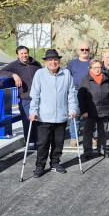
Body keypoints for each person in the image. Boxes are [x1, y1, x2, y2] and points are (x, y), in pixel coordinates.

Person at [29, 49, 78, 177]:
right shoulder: (40, 74)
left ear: (59, 61)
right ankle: (40, 166)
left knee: (58, 143)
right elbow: (34, 95)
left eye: (55, 60)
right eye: (50, 60)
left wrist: (73, 109)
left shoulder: (66, 73)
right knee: (43, 143)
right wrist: (33, 111)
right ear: (46, 62)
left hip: (61, 116)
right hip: (44, 116)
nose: (53, 62)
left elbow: (71, 94)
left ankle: (55, 163)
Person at [0, 45, 42, 149]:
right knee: (28, 120)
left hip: (39, 97)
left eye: (25, 53)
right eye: (21, 54)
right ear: (18, 55)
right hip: (25, 98)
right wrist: (14, 75)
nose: (24, 55)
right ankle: (30, 141)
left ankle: (39, 141)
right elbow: (1, 73)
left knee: (40, 120)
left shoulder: (36, 64)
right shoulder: (14, 66)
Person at [78, 59, 109, 159]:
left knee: (103, 132)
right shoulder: (85, 80)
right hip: (89, 112)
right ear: (90, 68)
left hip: (104, 110)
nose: (97, 70)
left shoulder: (106, 79)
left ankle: (101, 149)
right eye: (95, 68)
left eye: (99, 67)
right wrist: (83, 111)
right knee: (88, 133)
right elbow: (80, 97)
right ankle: (88, 152)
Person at [67, 42, 91, 147]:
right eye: (82, 50)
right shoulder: (72, 63)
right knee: (75, 114)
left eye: (87, 50)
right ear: (78, 51)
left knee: (90, 115)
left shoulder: (92, 62)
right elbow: (67, 77)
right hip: (76, 91)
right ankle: (74, 137)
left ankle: (92, 136)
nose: (84, 52)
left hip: (90, 92)